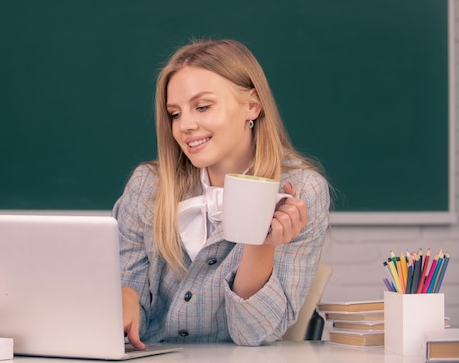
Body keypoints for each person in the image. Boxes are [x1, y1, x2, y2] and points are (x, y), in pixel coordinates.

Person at [112, 39, 330, 348]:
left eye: (202, 106)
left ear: (252, 106)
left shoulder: (302, 192)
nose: (185, 125)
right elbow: (129, 319)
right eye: (175, 114)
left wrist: (261, 244)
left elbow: (255, 334)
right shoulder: (149, 186)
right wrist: (125, 296)